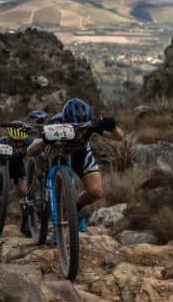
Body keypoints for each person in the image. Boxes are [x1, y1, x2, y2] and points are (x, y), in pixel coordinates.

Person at [27, 98, 124, 235]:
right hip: (57, 155)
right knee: (62, 195)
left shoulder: (90, 121)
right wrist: (44, 141)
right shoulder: (55, 122)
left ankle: (75, 209)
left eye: (82, 129)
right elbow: (30, 151)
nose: (80, 133)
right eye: (75, 129)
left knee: (95, 191)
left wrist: (113, 127)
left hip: (80, 154)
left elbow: (119, 137)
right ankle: (59, 230)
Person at [0, 125, 33, 236]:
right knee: (0, 190)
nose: (18, 144)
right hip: (2, 168)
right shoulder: (2, 141)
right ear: (10, 139)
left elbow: (37, 148)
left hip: (18, 168)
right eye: (16, 142)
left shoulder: (27, 142)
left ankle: (26, 223)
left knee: (25, 192)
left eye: (20, 142)